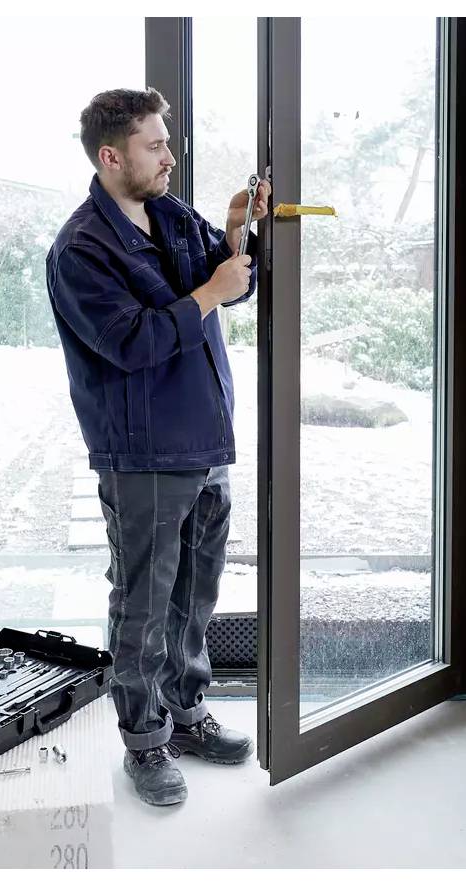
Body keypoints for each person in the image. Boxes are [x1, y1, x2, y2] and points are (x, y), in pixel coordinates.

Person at [45, 87, 270, 807]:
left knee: (196, 596)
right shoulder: (81, 249)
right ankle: (144, 742)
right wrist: (211, 291)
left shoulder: (170, 214)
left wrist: (234, 231)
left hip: (205, 443)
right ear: (111, 158)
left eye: (166, 142)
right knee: (143, 604)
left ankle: (187, 713)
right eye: (154, 145)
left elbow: (231, 285)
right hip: (142, 455)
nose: (169, 156)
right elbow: (133, 342)